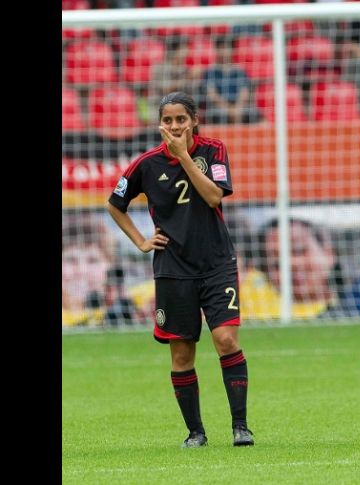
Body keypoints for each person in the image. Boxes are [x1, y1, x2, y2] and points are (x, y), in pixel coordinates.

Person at [107, 91, 254, 448]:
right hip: (173, 268)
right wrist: (142, 242)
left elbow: (215, 197)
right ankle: (196, 433)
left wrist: (185, 158)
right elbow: (115, 205)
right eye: (168, 120)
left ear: (194, 120)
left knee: (225, 339)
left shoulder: (213, 151)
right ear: (160, 123)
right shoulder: (146, 164)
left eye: (181, 120)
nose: (174, 127)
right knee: (182, 353)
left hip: (216, 262)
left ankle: (240, 426)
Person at [62, 213, 114, 327]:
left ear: (109, 265)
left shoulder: (136, 308)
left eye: (93, 260)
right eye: (71, 260)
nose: (82, 271)